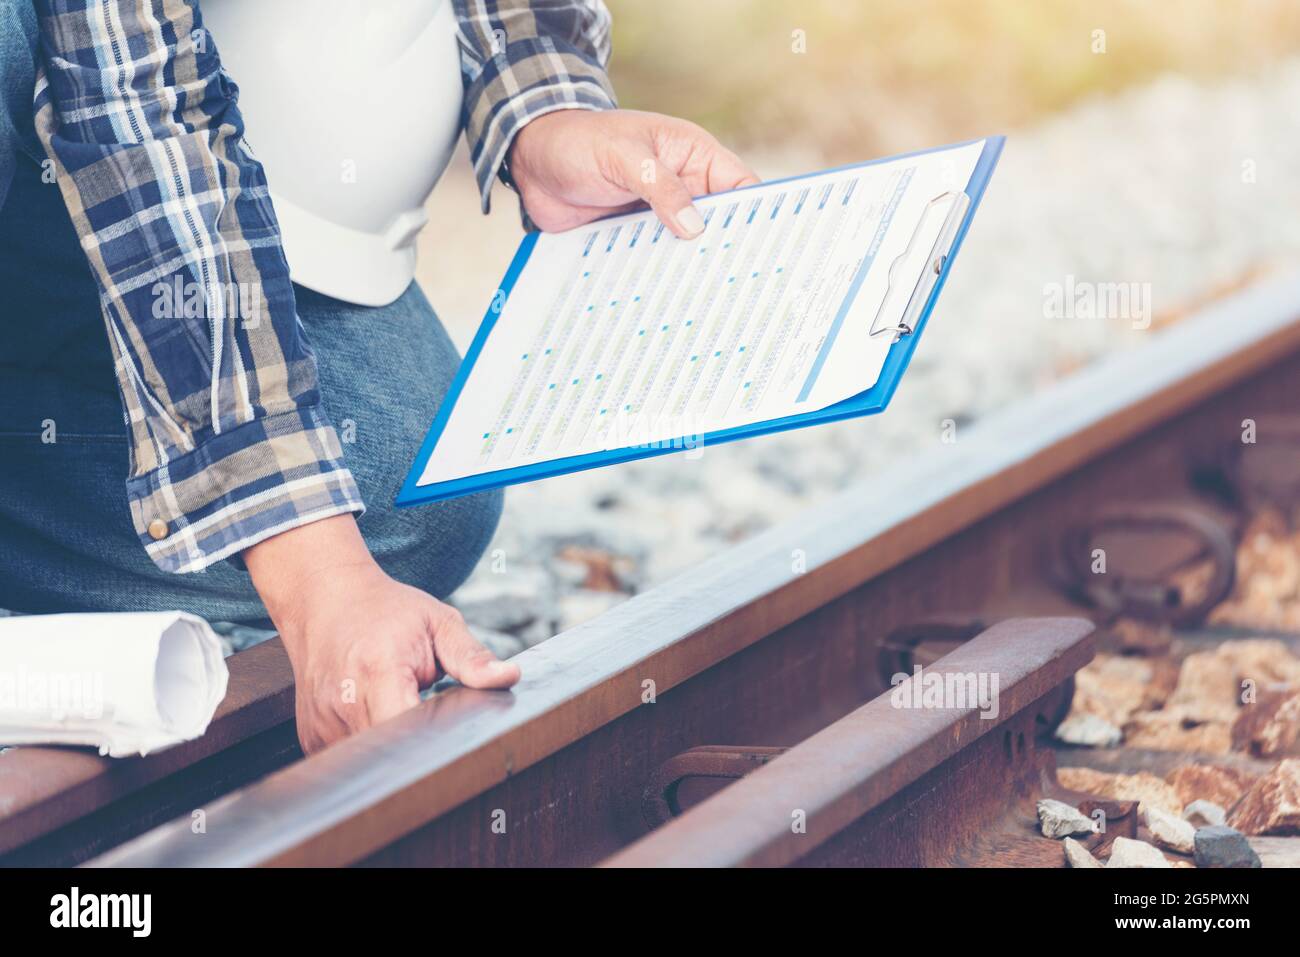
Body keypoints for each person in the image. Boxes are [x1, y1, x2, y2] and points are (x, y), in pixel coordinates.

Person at [0, 0, 758, 752]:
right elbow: (139, 112)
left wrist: (545, 106)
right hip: (94, 114)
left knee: (407, 497)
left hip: (178, 176)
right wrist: (316, 573)